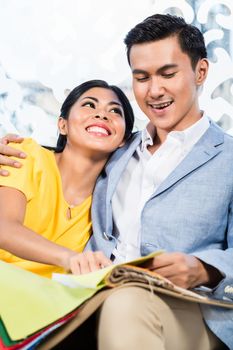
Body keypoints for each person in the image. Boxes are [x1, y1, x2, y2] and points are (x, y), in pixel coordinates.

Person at [0, 14, 232, 350]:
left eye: (168, 74)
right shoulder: (117, 152)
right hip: (86, 297)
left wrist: (205, 269)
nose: (155, 90)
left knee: (124, 305)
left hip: (188, 307)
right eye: (142, 77)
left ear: (200, 72)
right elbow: (64, 159)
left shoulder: (228, 158)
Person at [0, 79, 134, 278]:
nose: (102, 114)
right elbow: (4, 228)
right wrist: (70, 258)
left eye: (115, 111)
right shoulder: (26, 155)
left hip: (45, 303)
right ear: (63, 125)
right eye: (89, 104)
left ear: (123, 139)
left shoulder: (105, 208)